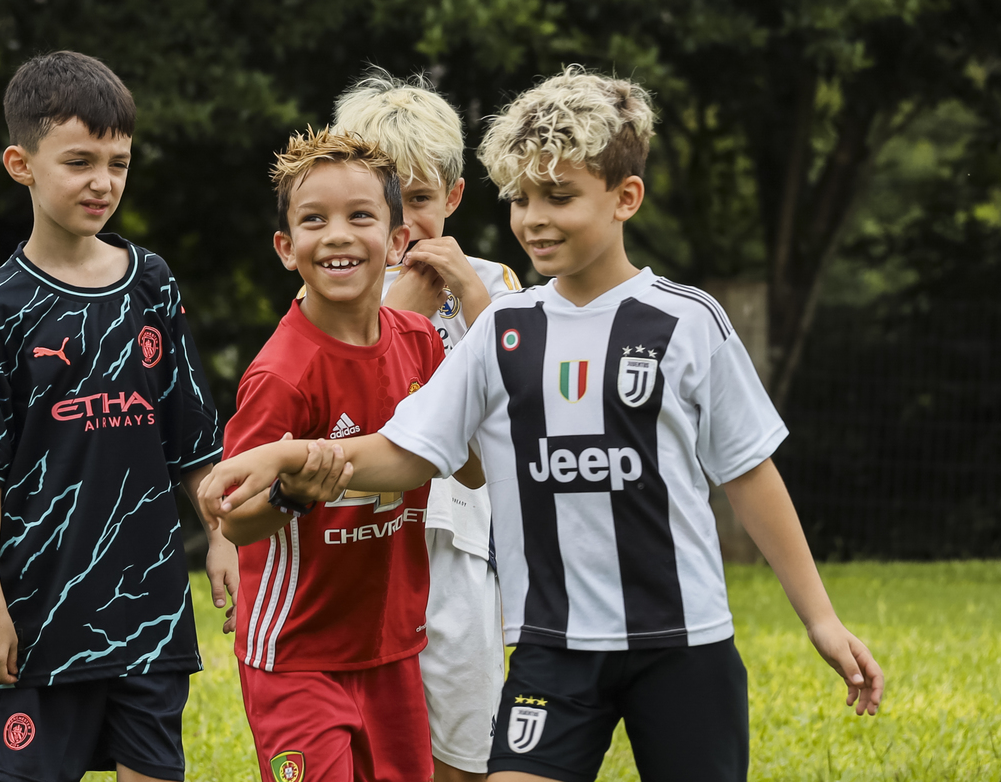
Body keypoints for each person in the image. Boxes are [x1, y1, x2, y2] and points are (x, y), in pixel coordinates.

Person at [199, 67, 884, 782]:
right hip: (551, 647)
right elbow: (408, 453)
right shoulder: (504, 330)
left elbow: (747, 473)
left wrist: (821, 619)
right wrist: (286, 459)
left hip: (684, 640)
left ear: (626, 198)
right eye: (521, 199)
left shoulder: (688, 321)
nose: (534, 219)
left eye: (558, 197)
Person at [0, 50, 237, 782]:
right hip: (38, 614)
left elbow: (193, 438)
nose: (103, 182)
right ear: (21, 165)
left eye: (118, 163)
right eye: (79, 162)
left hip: (149, 610)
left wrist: (223, 537)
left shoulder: (152, 284)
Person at [217, 127, 479, 782]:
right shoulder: (280, 374)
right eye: (314, 220)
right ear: (286, 248)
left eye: (360, 216)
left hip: (392, 647)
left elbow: (472, 469)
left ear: (396, 241)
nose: (337, 235)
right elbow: (235, 519)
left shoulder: (421, 342)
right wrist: (291, 495)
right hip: (298, 654)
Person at [332, 68, 522, 782]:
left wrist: (469, 293)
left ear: (454, 196)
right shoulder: (339, 280)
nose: (404, 224)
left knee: (464, 735)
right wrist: (400, 314)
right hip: (364, 529)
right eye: (385, 203)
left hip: (460, 532)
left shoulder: (493, 283)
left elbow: (520, 401)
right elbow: (337, 400)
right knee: (369, 730)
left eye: (419, 199)